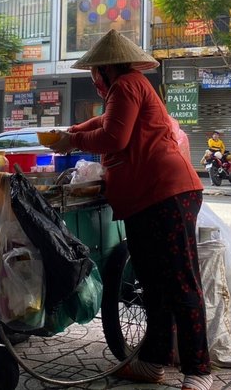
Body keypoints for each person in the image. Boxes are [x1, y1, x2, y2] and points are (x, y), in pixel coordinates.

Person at [48, 29, 212, 390]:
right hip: (145, 200)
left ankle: (198, 369)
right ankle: (153, 361)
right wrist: (69, 131)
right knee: (153, 284)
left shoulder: (126, 85)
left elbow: (113, 138)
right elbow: (102, 124)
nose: (93, 79)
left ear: (104, 69)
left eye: (94, 72)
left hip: (166, 193)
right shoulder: (124, 91)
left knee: (180, 281)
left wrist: (71, 140)